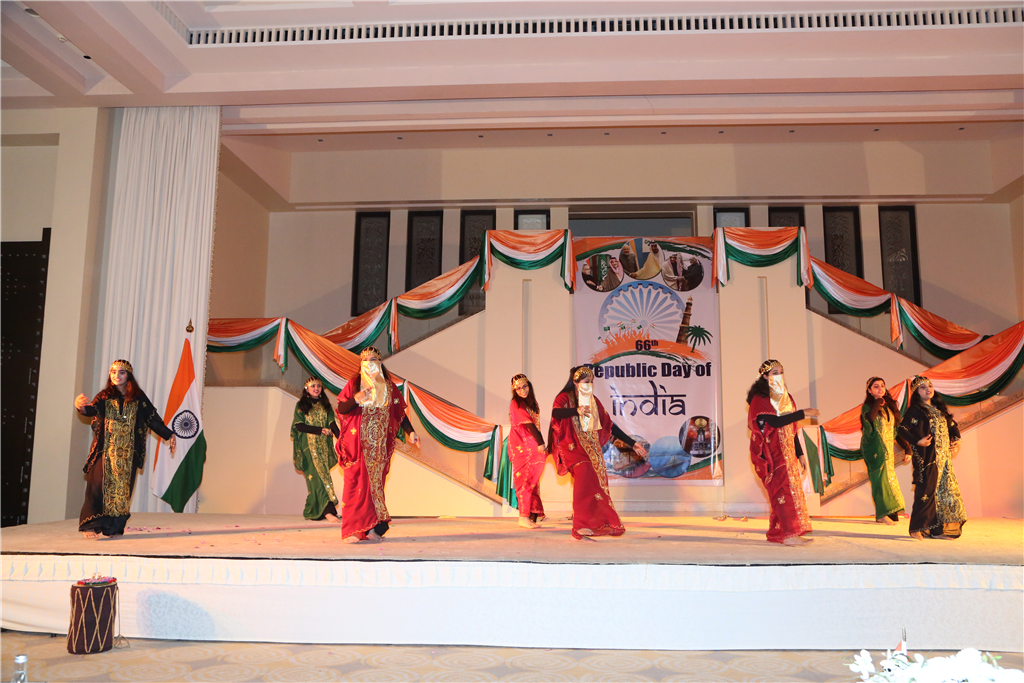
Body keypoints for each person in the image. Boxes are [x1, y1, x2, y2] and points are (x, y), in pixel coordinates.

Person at [74, 359, 176, 539]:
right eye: (113, 372)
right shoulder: (104, 395)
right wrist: (80, 406)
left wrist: (169, 435)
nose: (117, 376)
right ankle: (91, 525)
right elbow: (92, 410)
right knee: (97, 487)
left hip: (128, 453)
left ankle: (113, 528)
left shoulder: (138, 397)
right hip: (105, 450)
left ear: (128, 375)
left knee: (122, 491)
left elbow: (152, 419)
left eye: (121, 372)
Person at [548, 366, 647, 540]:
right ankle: (579, 528)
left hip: (592, 451)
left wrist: (632, 443)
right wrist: (576, 410)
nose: (589, 385)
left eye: (592, 382)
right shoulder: (564, 397)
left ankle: (590, 525)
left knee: (594, 487)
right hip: (573, 449)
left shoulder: (593, 401)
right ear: (575, 382)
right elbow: (556, 412)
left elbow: (610, 426)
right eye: (586, 382)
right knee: (583, 484)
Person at [335, 347, 420, 543]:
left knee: (375, 486)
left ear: (380, 362)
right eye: (365, 360)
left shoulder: (389, 387)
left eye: (373, 359)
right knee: (356, 485)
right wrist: (357, 399)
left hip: (379, 447)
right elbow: (342, 408)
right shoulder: (354, 384)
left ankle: (373, 528)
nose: (369, 363)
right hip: (358, 446)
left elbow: (399, 413)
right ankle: (354, 529)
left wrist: (411, 432)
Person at [746, 359, 819, 545]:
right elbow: (776, 422)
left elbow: (792, 429)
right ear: (765, 376)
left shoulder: (787, 398)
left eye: (781, 372)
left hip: (788, 452)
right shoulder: (760, 399)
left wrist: (800, 454)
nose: (779, 375)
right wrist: (803, 413)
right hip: (773, 454)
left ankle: (779, 533)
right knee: (783, 492)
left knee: (790, 492)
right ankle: (789, 535)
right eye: (775, 372)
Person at [897, 376, 966, 540]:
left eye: (929, 386)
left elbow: (952, 426)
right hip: (928, 458)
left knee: (941, 493)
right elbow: (902, 430)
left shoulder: (939, 408)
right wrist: (917, 441)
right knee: (926, 492)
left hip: (944, 458)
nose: (927, 389)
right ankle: (916, 528)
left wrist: (956, 441)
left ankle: (936, 530)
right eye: (922, 387)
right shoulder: (915, 410)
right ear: (916, 392)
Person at [292, 376, 341, 522]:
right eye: (313, 386)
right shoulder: (301, 405)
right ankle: (327, 512)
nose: (316, 388)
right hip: (308, 447)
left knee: (324, 477)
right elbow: (299, 426)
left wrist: (342, 440)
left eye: (318, 386)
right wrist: (319, 430)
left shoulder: (326, 405)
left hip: (323, 447)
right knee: (317, 478)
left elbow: (332, 424)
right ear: (307, 389)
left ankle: (313, 511)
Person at [860, 376, 906, 525]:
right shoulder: (868, 406)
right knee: (879, 480)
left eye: (882, 386)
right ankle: (881, 514)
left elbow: (896, 430)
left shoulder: (889, 407)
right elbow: (871, 418)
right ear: (869, 391)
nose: (880, 388)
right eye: (876, 386)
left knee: (889, 479)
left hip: (888, 450)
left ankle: (891, 512)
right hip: (874, 449)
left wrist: (907, 448)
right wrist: (878, 401)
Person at [508, 374, 547, 529]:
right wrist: (541, 442)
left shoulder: (532, 402)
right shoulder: (515, 403)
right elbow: (530, 425)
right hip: (521, 445)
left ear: (529, 385)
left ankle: (533, 513)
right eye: (518, 388)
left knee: (533, 479)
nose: (522, 390)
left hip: (531, 444)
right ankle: (523, 517)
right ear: (514, 390)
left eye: (524, 386)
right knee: (524, 479)